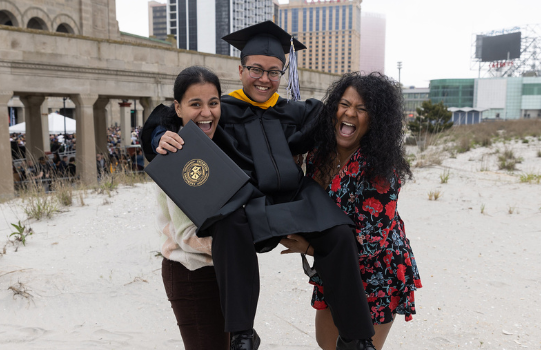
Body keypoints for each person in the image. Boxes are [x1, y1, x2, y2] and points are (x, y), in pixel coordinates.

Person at [142, 21, 377, 350]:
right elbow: (166, 117)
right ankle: (242, 334)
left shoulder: (296, 111)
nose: (264, 79)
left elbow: (343, 116)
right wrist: (157, 137)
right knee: (229, 222)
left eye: (273, 71)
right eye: (256, 69)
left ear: (282, 74)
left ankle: (357, 338)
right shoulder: (219, 108)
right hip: (249, 199)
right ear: (240, 70)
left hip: (294, 196)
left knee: (339, 232)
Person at [279, 73, 421, 350]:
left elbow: (369, 246)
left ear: (376, 119)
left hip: (377, 272)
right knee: (326, 341)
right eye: (344, 104)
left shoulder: (381, 170)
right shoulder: (320, 153)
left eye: (362, 108)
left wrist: (309, 249)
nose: (350, 113)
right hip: (333, 265)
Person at [153, 66, 229, 350]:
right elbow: (188, 235)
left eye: (213, 103)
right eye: (195, 104)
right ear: (178, 107)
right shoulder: (177, 153)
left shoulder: (213, 147)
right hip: (192, 273)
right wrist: (245, 240)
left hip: (221, 272)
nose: (206, 113)